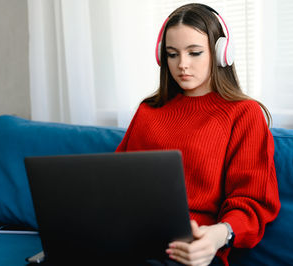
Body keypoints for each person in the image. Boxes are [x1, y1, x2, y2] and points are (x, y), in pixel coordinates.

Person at [116, 3, 281, 266]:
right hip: (130, 240)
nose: (182, 65)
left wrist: (218, 235)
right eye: (172, 54)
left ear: (220, 53)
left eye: (194, 53)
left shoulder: (244, 114)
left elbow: (252, 202)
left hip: (191, 250)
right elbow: (114, 182)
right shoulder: (148, 110)